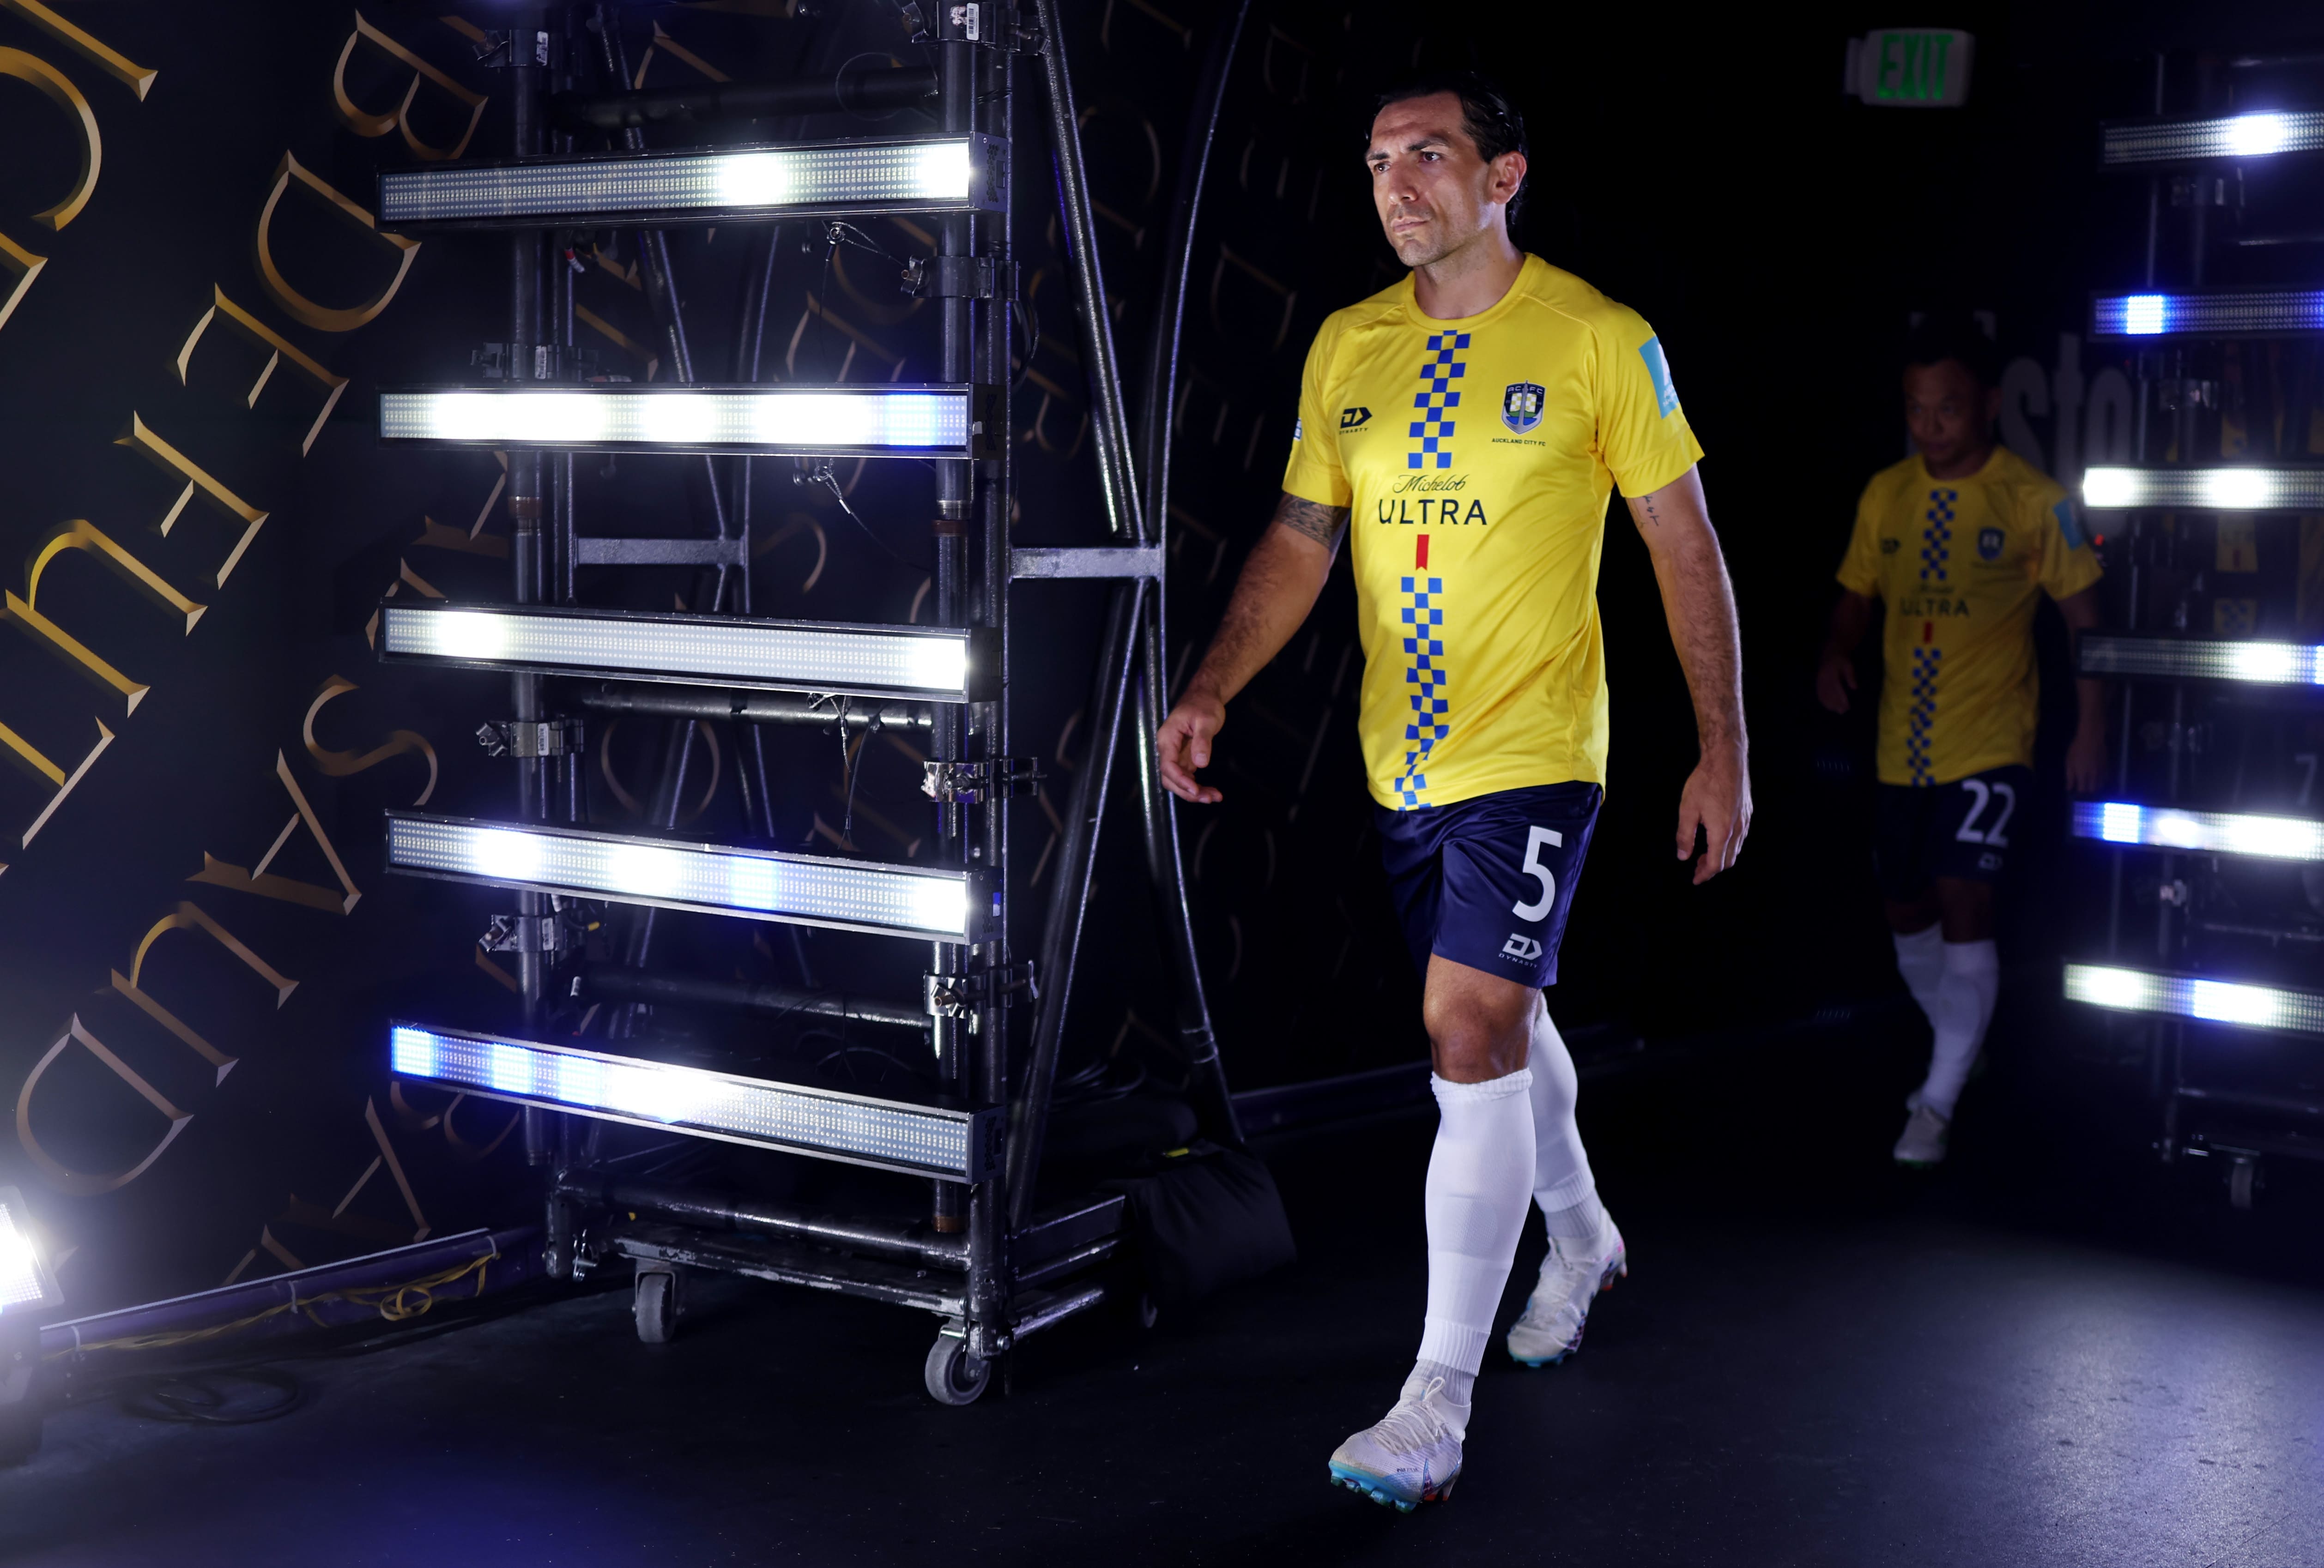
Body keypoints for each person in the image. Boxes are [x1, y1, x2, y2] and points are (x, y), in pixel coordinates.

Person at [1156, 72, 1750, 1512]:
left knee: (1465, 1021)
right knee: (1505, 1012)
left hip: (1539, 751)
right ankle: (1584, 1229)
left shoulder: (1603, 340)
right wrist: (1216, 682)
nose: (1398, 184)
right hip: (1399, 757)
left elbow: (1685, 550)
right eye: (1376, 163)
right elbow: (1301, 543)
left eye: (1430, 155)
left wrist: (1721, 748)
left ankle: (1436, 1402)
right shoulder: (1348, 347)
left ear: (1506, 176)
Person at [1816, 314, 2105, 1168]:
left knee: (1964, 902)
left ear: (1988, 403)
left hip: (1991, 746)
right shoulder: (1887, 494)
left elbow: (2087, 621)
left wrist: (2090, 730)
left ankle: (1934, 1107)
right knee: (1906, 910)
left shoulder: (2037, 500)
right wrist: (1836, 647)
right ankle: (1960, 1046)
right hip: (1902, 744)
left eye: (1946, 407)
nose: (1929, 424)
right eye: (1916, 408)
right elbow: (1856, 592)